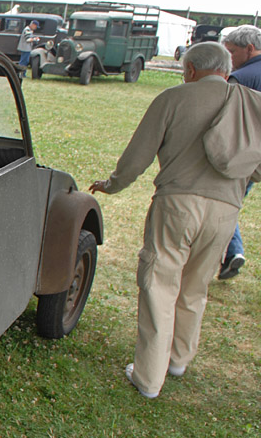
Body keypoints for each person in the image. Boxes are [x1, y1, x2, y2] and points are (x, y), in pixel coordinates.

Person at [89, 42, 261, 398]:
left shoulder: (173, 98)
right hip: (226, 210)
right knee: (196, 286)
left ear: (191, 70)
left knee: (159, 284)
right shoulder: (250, 103)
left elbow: (138, 156)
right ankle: (180, 359)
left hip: (177, 204)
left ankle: (149, 378)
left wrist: (113, 185)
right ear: (225, 70)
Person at [217, 25, 261, 279]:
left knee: (225, 202)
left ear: (250, 49)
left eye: (232, 52)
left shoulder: (241, 78)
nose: (229, 57)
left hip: (240, 152)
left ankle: (232, 253)